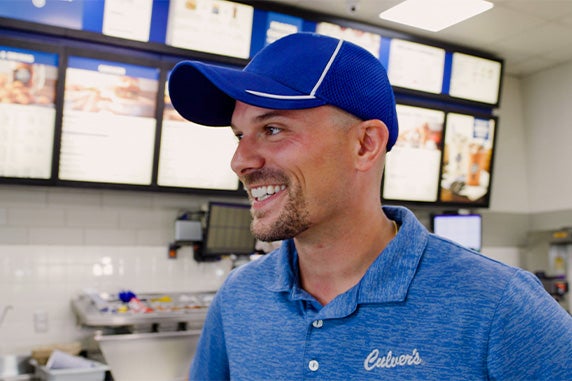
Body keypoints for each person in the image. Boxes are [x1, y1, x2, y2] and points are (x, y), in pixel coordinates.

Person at [169, 32, 572, 380]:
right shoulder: (240, 297)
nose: (240, 161)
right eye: (239, 135)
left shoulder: (498, 304)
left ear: (365, 145)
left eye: (272, 129)